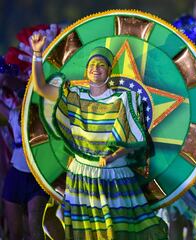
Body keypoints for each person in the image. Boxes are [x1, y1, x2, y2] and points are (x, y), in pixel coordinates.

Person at [30, 33, 168, 239]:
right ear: (86, 70)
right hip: (81, 176)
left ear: (109, 72)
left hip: (112, 176)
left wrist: (111, 157)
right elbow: (40, 88)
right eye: (92, 64)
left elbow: (133, 143)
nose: (96, 68)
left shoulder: (123, 99)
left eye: (101, 65)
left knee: (116, 232)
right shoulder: (74, 95)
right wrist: (37, 53)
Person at [1, 94, 49, 240]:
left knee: (35, 226)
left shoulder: (46, 114)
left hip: (37, 177)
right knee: (15, 233)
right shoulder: (15, 113)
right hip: (17, 177)